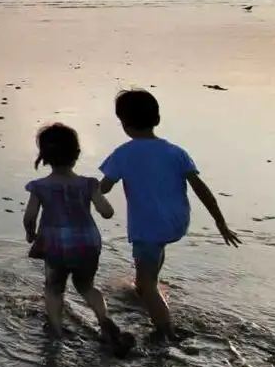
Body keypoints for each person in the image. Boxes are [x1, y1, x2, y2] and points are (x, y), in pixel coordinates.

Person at [99, 89, 240, 343]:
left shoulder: (123, 153)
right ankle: (150, 292)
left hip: (148, 227)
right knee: (151, 267)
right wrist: (220, 221)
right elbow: (201, 189)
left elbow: (104, 188)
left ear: (123, 123)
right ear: (157, 118)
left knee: (145, 282)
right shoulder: (176, 151)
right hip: (176, 223)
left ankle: (167, 332)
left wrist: (79, 195)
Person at [23, 123, 127, 346]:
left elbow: (30, 216)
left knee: (53, 287)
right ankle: (104, 320)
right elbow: (107, 212)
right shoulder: (88, 184)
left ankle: (57, 332)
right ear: (77, 154)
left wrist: (30, 233)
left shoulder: (40, 186)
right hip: (88, 244)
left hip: (56, 245)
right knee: (86, 286)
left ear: (44, 157)